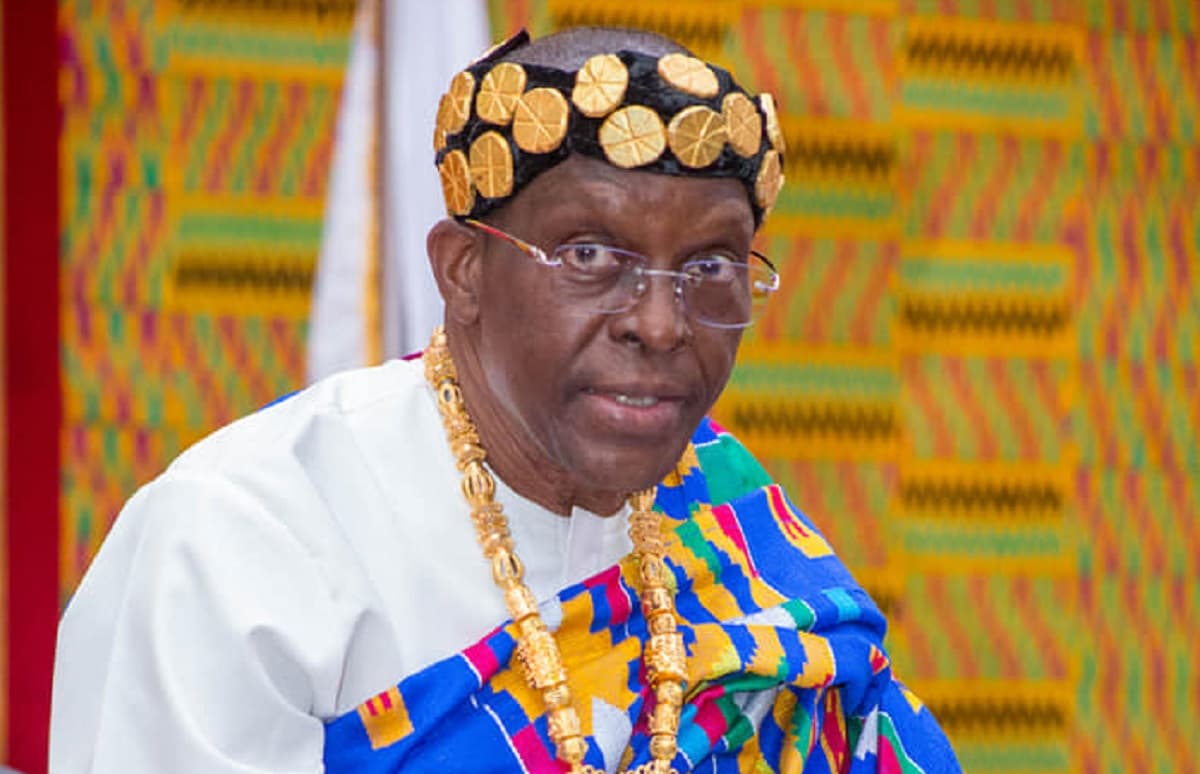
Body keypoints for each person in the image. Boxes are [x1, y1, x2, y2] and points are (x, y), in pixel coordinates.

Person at [50, 27, 960, 774]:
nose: (659, 323)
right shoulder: (240, 541)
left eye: (709, 267)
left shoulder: (736, 526)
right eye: (590, 256)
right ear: (462, 272)